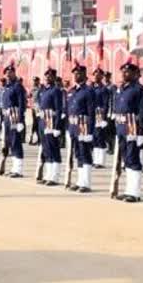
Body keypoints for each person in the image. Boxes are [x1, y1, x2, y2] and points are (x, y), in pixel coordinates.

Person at [113, 60, 143, 203]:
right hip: (122, 128)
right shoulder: (122, 89)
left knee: (134, 160)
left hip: (133, 130)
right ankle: (128, 190)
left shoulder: (140, 90)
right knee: (126, 160)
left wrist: (140, 133)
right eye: (123, 71)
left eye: (127, 71)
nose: (124, 73)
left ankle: (134, 193)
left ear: (135, 74)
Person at [66, 63, 96, 192]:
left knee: (85, 154)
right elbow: (68, 110)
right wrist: (68, 127)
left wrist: (90, 130)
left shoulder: (88, 91)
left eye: (79, 73)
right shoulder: (72, 91)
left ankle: (86, 183)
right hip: (74, 127)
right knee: (78, 154)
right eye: (75, 73)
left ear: (85, 75)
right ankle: (80, 181)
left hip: (84, 126)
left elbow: (91, 112)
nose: (76, 75)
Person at [38, 68, 64, 186]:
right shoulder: (43, 90)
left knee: (54, 149)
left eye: (50, 76)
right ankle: (48, 175)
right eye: (46, 76)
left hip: (51, 122)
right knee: (46, 149)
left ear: (54, 77)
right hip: (43, 121)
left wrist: (57, 126)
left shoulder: (56, 90)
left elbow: (58, 109)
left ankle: (55, 176)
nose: (48, 78)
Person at [0, 63, 26, 178]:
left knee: (16, 142)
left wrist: (20, 120)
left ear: (14, 73)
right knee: (9, 142)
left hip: (15, 117)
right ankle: (13, 167)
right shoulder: (6, 87)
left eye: (10, 72)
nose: (8, 74)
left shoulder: (17, 86)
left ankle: (18, 169)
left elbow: (22, 104)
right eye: (6, 73)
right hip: (6, 117)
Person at [91, 68, 109, 168]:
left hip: (99, 115)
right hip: (91, 115)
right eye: (95, 75)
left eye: (98, 75)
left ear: (102, 77)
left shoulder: (104, 89)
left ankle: (101, 161)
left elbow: (106, 104)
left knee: (100, 137)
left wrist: (104, 118)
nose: (96, 77)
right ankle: (95, 159)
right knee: (94, 138)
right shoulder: (91, 87)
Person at [30, 77, 42, 145]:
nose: (34, 82)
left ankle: (39, 139)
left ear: (38, 81)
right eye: (33, 81)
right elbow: (29, 96)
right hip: (33, 107)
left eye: (35, 81)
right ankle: (35, 138)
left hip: (39, 107)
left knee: (37, 123)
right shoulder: (32, 89)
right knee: (34, 123)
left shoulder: (40, 88)